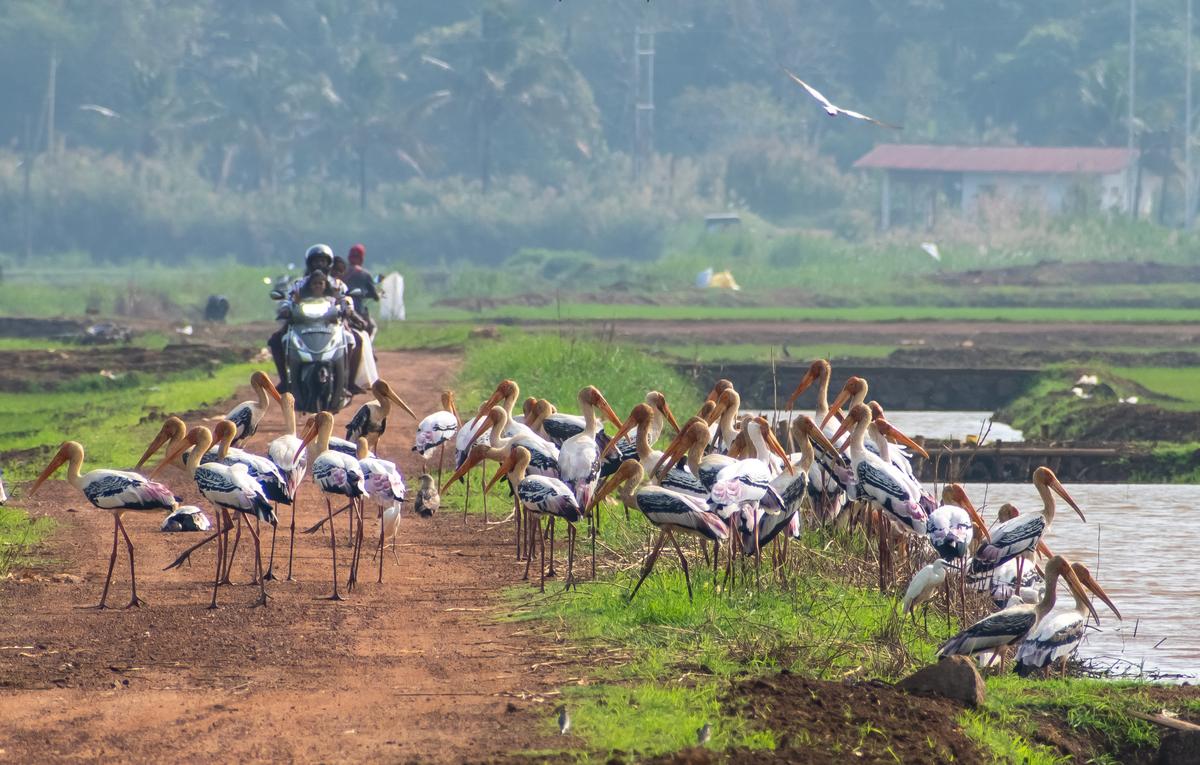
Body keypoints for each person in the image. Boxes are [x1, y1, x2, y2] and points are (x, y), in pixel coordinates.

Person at [269, 244, 347, 391]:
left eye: (322, 261)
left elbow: (345, 299)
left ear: (329, 263)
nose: (319, 264)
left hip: (331, 323)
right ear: (309, 263)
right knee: (276, 340)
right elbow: (289, 299)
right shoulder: (299, 283)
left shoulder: (337, 284)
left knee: (351, 339)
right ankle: (285, 380)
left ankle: (346, 382)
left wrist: (346, 308)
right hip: (302, 322)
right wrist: (285, 309)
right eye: (315, 261)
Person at [343, 244, 380, 330]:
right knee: (372, 327)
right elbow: (375, 295)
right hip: (358, 310)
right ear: (362, 258)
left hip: (340, 309)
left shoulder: (341, 272)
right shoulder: (365, 274)